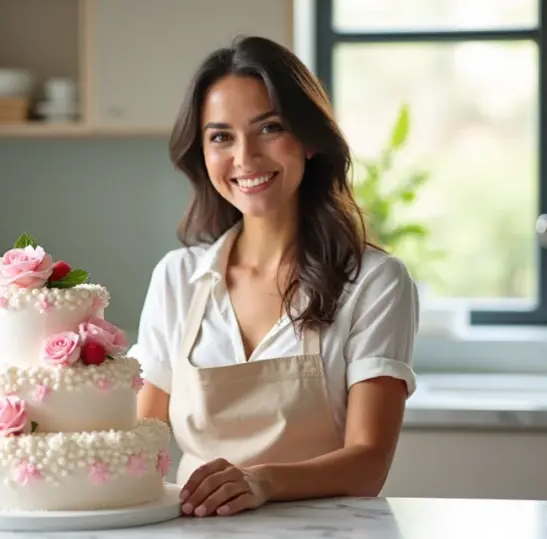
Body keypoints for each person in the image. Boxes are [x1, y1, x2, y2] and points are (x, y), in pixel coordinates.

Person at [129, 35, 419, 518]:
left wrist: (260, 481)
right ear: (202, 153)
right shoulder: (178, 278)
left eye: (269, 129)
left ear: (307, 140)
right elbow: (142, 439)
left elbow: (369, 463)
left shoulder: (374, 282)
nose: (245, 157)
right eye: (221, 136)